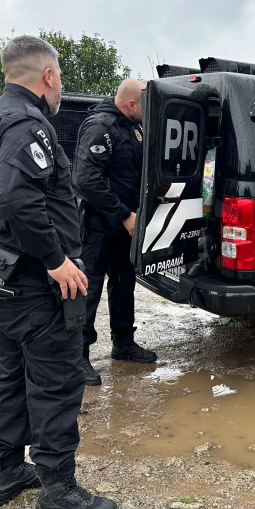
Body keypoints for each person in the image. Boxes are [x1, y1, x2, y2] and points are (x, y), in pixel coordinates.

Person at [0, 35, 116, 509]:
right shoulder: (29, 123)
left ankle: (6, 469)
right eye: (59, 79)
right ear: (47, 76)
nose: (59, 90)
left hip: (0, 271)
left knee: (11, 372)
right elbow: (16, 198)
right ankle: (58, 491)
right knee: (55, 379)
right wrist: (55, 259)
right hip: (30, 280)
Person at [73, 78, 156, 386]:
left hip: (125, 227)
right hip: (97, 228)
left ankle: (123, 343)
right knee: (88, 290)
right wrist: (123, 215)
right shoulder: (101, 127)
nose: (147, 113)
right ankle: (78, 357)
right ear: (131, 104)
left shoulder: (130, 127)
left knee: (123, 285)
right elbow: (86, 180)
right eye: (144, 106)